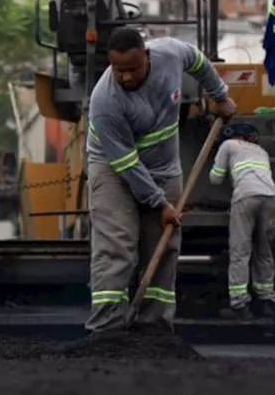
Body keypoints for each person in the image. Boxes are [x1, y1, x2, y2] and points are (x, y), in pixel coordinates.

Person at [84, 28, 236, 334]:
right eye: (118, 70)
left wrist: (220, 95)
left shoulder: (170, 53)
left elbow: (198, 61)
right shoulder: (104, 101)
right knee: (117, 246)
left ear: (147, 56)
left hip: (165, 169)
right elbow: (126, 163)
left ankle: (154, 328)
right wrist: (159, 203)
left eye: (132, 69)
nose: (125, 77)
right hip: (114, 169)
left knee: (163, 248)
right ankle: (106, 330)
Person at [208, 124, 275, 322]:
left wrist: (217, 160)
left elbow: (215, 179)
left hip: (246, 198)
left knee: (241, 251)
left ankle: (240, 306)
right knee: (264, 252)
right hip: (272, 198)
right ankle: (267, 303)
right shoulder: (261, 151)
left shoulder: (228, 145)